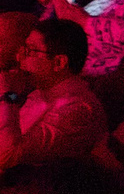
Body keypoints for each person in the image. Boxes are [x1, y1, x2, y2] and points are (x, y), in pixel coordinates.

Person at [0, 21, 109, 173]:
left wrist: (6, 95)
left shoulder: (77, 109)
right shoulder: (42, 92)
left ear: (59, 62)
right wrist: (11, 95)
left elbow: (7, 155)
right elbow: (11, 123)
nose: (20, 57)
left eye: (30, 50)